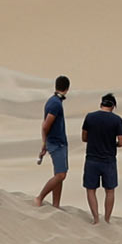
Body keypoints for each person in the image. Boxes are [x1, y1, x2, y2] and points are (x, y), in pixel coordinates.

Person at [80, 92, 122, 224]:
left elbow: (84, 137)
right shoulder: (117, 120)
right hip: (109, 160)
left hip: (92, 159)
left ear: (101, 104)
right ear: (113, 106)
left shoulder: (90, 117)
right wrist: (113, 144)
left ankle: (95, 218)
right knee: (110, 191)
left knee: (91, 189)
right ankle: (107, 219)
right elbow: (121, 142)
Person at [33, 76, 70, 208]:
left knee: (59, 174)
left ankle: (56, 205)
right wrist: (45, 143)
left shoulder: (55, 101)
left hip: (59, 142)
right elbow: (45, 125)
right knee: (61, 175)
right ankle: (40, 197)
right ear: (67, 88)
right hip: (56, 143)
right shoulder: (55, 103)